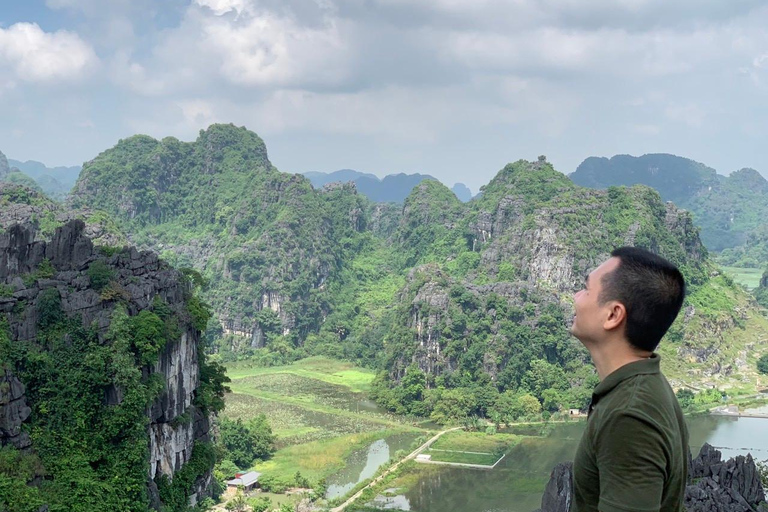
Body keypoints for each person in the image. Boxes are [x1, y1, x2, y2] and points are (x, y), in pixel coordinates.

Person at [570, 247, 689, 512]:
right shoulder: (646, 383)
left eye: (586, 289)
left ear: (613, 315)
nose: (577, 297)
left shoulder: (629, 416)